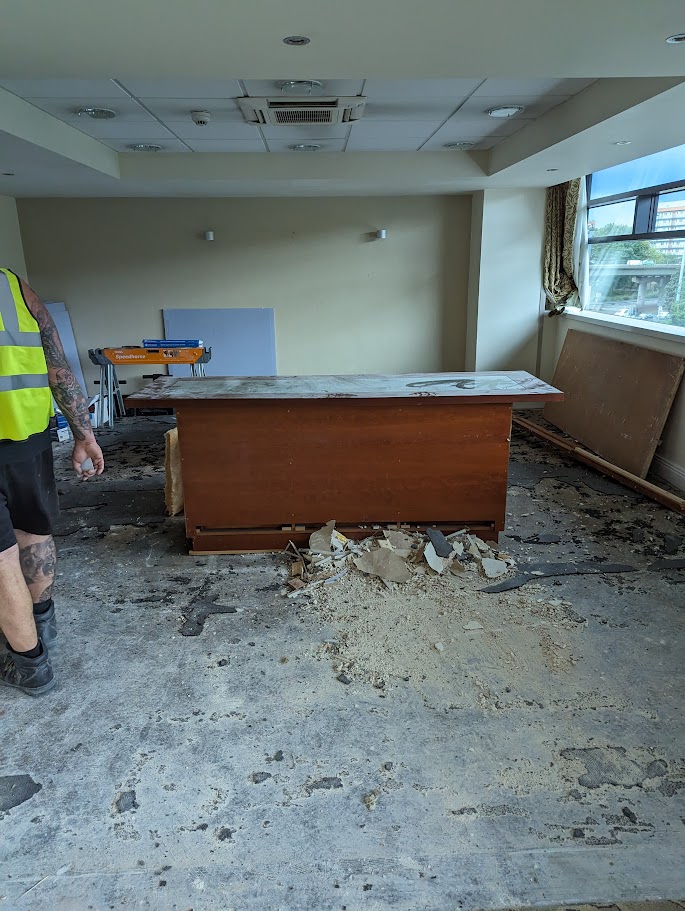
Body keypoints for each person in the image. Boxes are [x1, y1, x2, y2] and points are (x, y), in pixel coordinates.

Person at [0, 268, 104, 696]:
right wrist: (85, 434)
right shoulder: (10, 284)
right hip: (26, 435)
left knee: (1, 558)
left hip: (24, 435)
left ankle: (29, 664)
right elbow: (55, 362)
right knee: (31, 531)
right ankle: (41, 618)